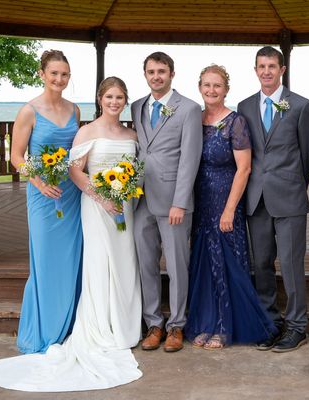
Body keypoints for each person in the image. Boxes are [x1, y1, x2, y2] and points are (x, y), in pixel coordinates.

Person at [0, 77, 143, 391]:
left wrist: (126, 192)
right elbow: (74, 169)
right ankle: (97, 328)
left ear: (125, 100)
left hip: (125, 207)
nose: (114, 102)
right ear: (100, 99)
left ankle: (124, 327)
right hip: (97, 206)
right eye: (109, 96)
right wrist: (101, 196)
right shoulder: (85, 130)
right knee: (97, 264)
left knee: (125, 264)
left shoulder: (131, 134)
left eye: (120, 97)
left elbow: (136, 168)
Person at [185, 65, 277, 350]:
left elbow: (244, 168)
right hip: (199, 200)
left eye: (217, 85)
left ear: (226, 90)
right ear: (199, 87)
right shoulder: (194, 120)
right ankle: (205, 322)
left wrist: (228, 210)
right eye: (206, 85)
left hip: (226, 200)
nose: (211, 90)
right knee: (203, 264)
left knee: (225, 263)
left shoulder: (235, 122)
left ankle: (225, 327)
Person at [237, 46, 309, 353]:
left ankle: (297, 327)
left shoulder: (300, 106)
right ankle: (270, 323)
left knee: (293, 265)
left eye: (272, 66)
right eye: (261, 66)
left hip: (290, 199)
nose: (266, 71)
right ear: (255, 70)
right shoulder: (244, 107)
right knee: (260, 264)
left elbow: (307, 156)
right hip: (256, 199)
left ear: (282, 69)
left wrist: (293, 186)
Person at [9, 49, 82, 354]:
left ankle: (69, 325)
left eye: (64, 74)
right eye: (54, 73)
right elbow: (15, 157)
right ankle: (44, 328)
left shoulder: (75, 110)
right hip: (42, 195)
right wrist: (38, 182)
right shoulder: (29, 111)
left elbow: (79, 151)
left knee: (71, 260)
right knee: (45, 260)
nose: (59, 79)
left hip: (71, 195)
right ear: (42, 74)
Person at [131, 52, 202, 352]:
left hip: (174, 200)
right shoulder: (137, 106)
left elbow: (190, 158)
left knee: (176, 266)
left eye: (162, 71)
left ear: (172, 74)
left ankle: (176, 326)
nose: (156, 76)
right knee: (145, 264)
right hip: (140, 199)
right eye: (151, 71)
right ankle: (153, 324)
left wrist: (181, 202)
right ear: (145, 74)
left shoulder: (188, 108)